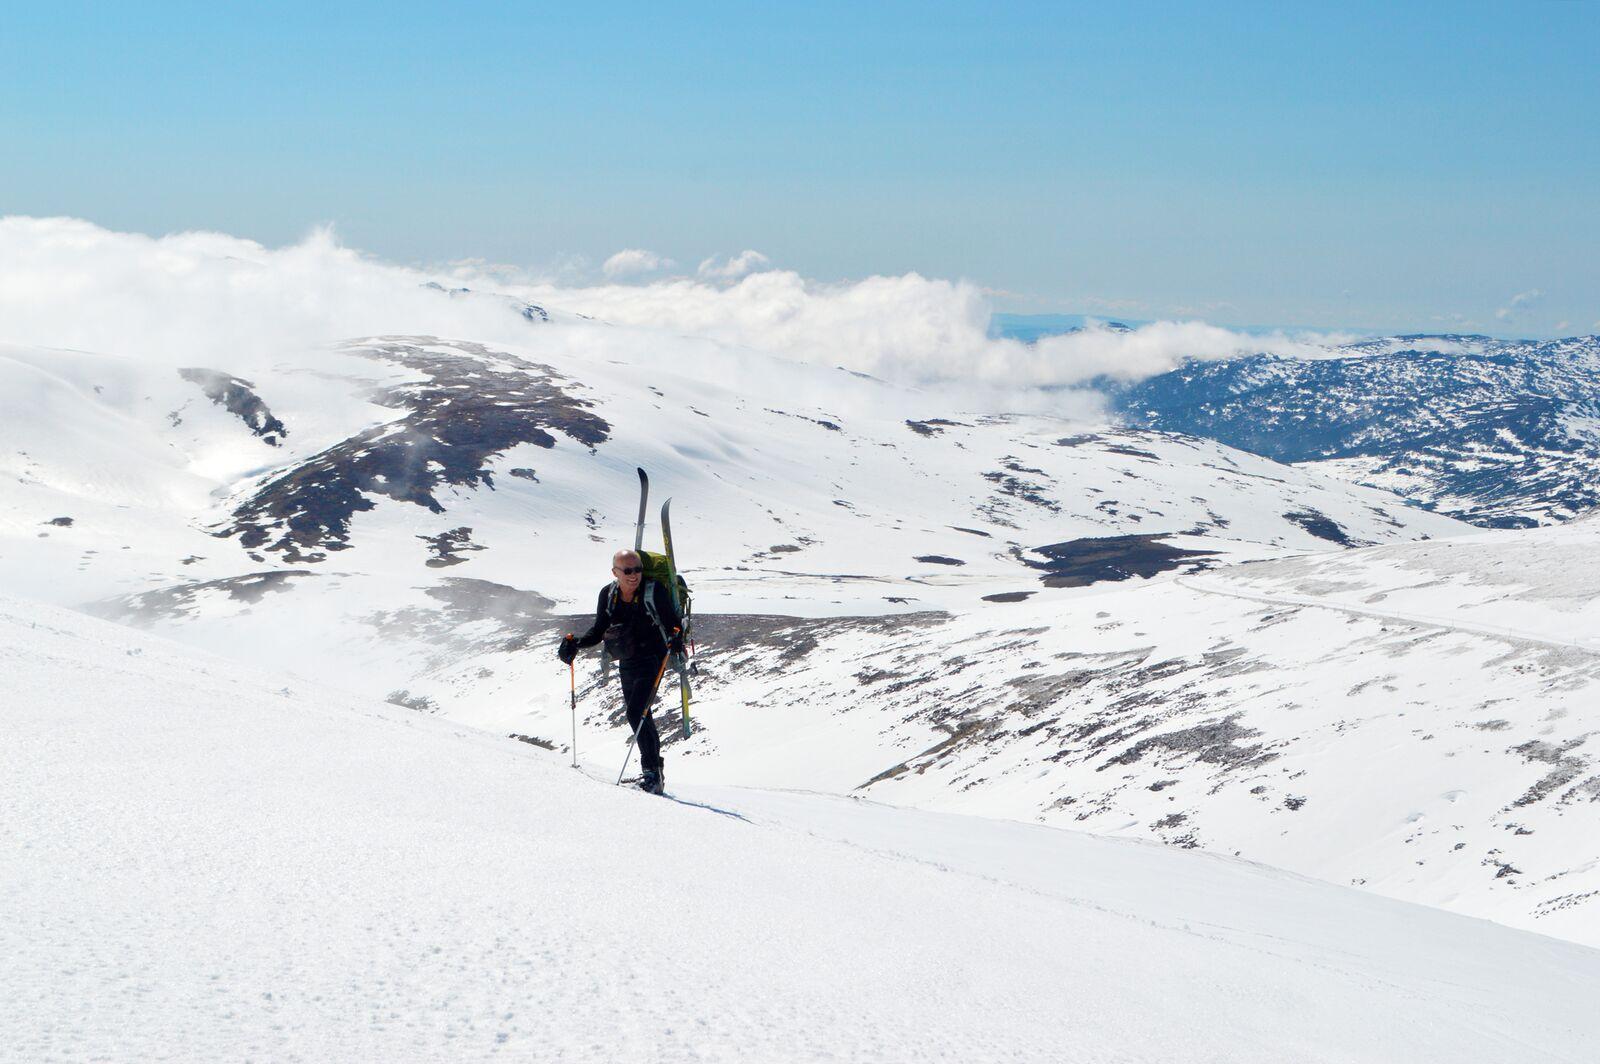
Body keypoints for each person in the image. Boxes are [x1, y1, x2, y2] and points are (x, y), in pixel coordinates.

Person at [559, 549, 684, 794]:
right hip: (626, 659)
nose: (634, 575)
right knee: (640, 715)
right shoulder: (608, 595)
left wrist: (676, 638)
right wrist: (576, 643)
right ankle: (654, 773)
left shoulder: (653, 590)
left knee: (637, 711)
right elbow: (598, 631)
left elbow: (672, 623)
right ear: (615, 572)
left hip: (653, 658)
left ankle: (651, 774)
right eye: (627, 571)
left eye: (637, 569)